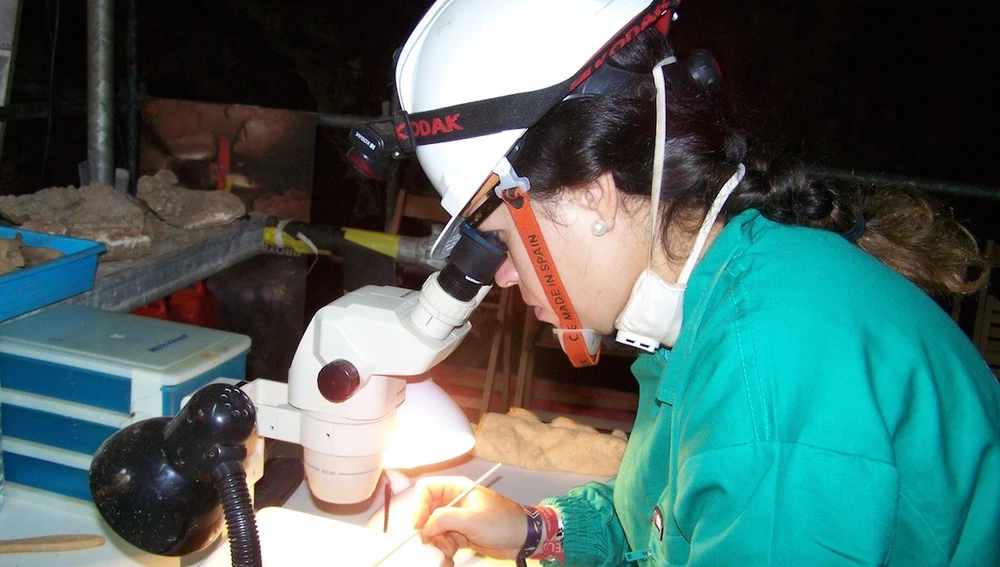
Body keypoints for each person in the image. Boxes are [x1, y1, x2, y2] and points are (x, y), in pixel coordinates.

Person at [357, 0, 1000, 565]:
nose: (497, 277)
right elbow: (668, 522)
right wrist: (536, 530)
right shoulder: (710, 302)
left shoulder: (767, 360)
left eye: (498, 240)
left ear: (592, 197)